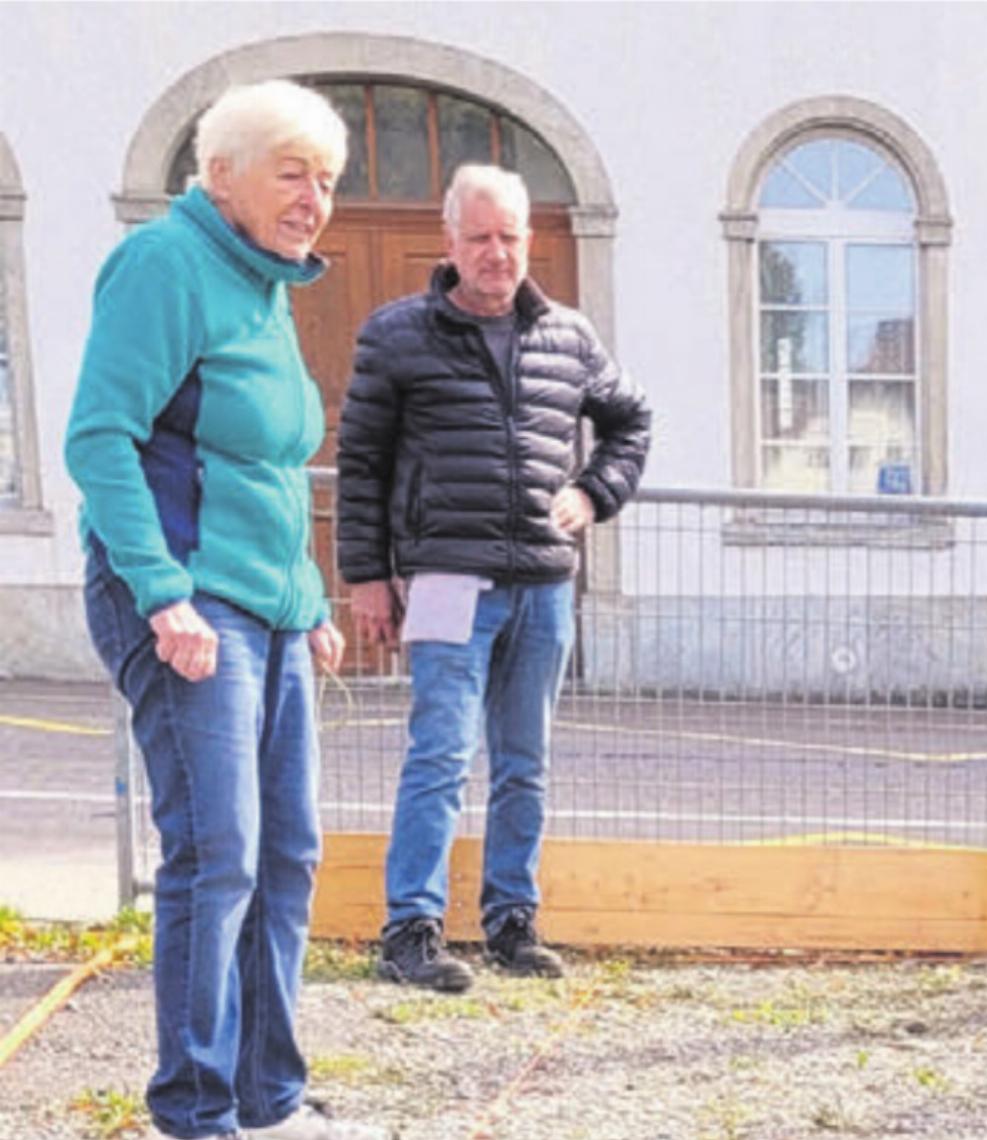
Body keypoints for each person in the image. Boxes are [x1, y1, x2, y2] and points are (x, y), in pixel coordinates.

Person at [66, 80, 387, 1140]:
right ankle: (195, 1109)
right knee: (219, 853)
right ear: (221, 176)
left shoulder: (264, 284)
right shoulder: (165, 264)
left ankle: (269, 1098)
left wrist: (311, 602)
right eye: (292, 172)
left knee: (289, 850)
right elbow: (101, 440)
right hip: (184, 599)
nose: (314, 199)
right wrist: (162, 595)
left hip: (268, 610)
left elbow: (268, 466)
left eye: (328, 181)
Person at [335, 164, 651, 993]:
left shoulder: (570, 336)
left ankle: (512, 920)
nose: (496, 253)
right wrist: (367, 575)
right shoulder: (395, 334)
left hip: (544, 584)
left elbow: (631, 422)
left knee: (525, 760)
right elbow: (361, 463)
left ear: (528, 240)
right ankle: (411, 927)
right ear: (449, 243)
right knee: (439, 753)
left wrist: (592, 492)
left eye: (509, 236)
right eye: (479, 237)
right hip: (445, 578)